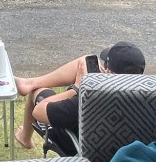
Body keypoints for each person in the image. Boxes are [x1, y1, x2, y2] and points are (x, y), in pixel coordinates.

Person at [15, 42, 146, 150]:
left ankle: (25, 136)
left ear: (108, 72)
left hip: (78, 146)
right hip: (123, 151)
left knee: (36, 91)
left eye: (104, 65)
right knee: (85, 61)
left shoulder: (86, 102)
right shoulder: (147, 100)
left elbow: (38, 112)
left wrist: (77, 88)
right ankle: (29, 83)